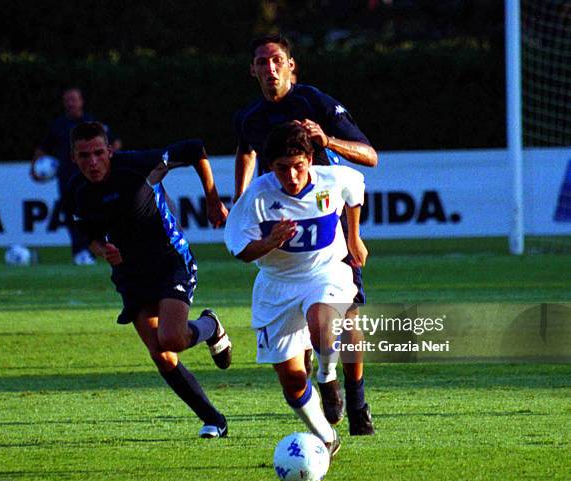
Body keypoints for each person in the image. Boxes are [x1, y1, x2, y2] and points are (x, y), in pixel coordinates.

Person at [233, 34, 377, 433]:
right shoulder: (250, 117)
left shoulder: (315, 103)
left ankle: (354, 399)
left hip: (328, 217)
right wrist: (238, 199)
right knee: (306, 318)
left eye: (277, 59)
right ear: (253, 70)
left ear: (291, 65)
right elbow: (246, 151)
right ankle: (314, 369)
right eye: (261, 61)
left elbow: (369, 156)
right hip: (284, 222)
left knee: (345, 319)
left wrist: (326, 140)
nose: (270, 68)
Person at [64, 121, 231, 438]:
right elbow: (87, 234)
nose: (93, 162)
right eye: (84, 156)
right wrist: (102, 249)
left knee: (171, 338)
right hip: (130, 275)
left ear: (110, 150)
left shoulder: (140, 166)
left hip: (170, 262)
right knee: (161, 353)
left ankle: (210, 325)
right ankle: (214, 420)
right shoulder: (76, 191)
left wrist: (212, 198)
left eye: (99, 153)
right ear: (74, 158)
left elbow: (195, 147)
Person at [225, 122, 369, 456]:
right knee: (291, 380)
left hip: (325, 272)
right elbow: (240, 250)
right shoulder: (257, 197)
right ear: (270, 167)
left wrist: (354, 236)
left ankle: (328, 375)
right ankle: (327, 439)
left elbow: (355, 189)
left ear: (310, 158)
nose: (291, 176)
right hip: (277, 287)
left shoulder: (331, 179)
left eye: (298, 166)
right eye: (281, 169)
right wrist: (269, 242)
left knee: (323, 322)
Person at [31, 87, 122, 265]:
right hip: (67, 181)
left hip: (93, 180)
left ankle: (110, 248)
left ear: (81, 101)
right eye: (67, 100)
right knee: (74, 217)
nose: (71, 103)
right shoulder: (58, 125)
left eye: (74, 99)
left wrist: (110, 163)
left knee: (100, 213)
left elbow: (115, 142)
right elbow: (43, 148)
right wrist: (34, 168)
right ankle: (81, 252)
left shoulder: (92, 124)